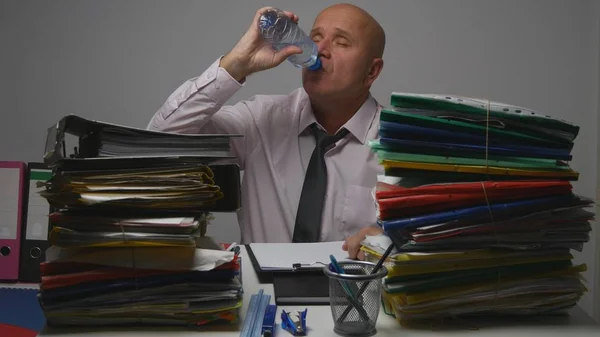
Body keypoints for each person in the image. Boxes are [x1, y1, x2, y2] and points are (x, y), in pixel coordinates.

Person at [147, 3, 385, 259]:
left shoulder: (402, 147)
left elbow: (421, 236)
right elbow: (160, 142)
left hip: (351, 294)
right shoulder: (261, 119)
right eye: (315, 37)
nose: (321, 50)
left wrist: (388, 239)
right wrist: (235, 65)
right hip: (259, 295)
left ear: (371, 71)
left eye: (341, 42)